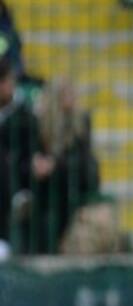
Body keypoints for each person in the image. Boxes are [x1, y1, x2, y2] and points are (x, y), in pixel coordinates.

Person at [26, 76, 99, 254]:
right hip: (45, 195)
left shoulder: (81, 123)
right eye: (67, 93)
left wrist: (55, 165)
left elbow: (84, 164)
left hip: (73, 192)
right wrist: (36, 164)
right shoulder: (38, 124)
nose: (72, 97)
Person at [0, 57, 38, 249]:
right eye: (7, 81)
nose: (11, 86)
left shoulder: (25, 116)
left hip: (19, 177)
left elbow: (32, 152)